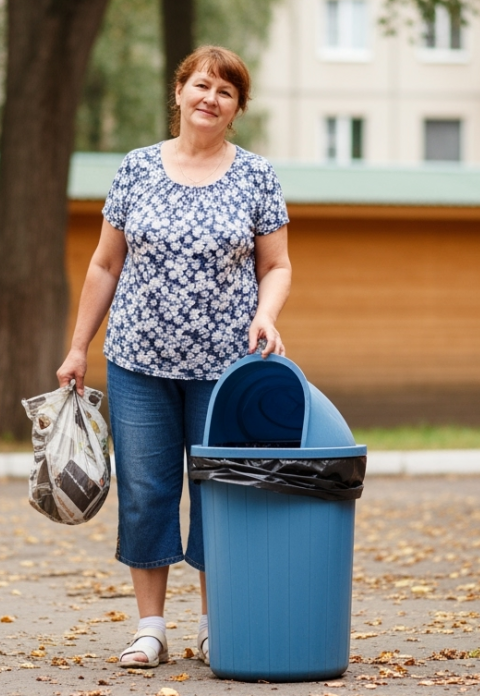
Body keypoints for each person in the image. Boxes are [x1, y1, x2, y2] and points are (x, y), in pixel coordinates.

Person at [55, 45, 291, 669]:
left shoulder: (256, 176)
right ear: (180, 92)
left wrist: (266, 314)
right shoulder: (135, 169)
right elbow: (106, 263)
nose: (211, 99)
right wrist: (79, 346)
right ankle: (151, 630)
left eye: (226, 92)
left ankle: (218, 625)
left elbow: (278, 266)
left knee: (219, 493)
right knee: (146, 491)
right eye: (202, 86)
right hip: (137, 362)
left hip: (226, 369)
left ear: (237, 108)